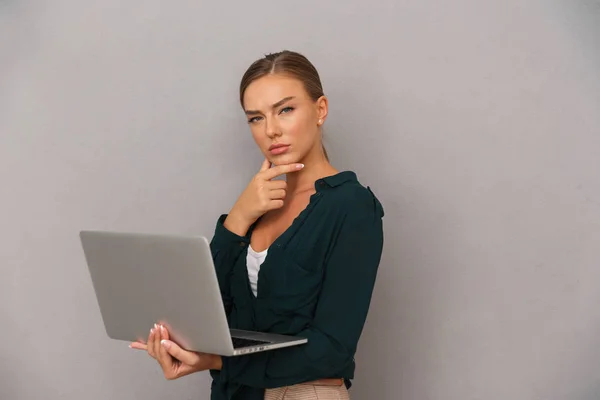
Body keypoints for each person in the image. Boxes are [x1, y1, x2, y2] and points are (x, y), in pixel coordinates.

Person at [130, 50, 385, 400]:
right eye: (255, 118)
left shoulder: (351, 206)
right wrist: (237, 218)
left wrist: (216, 361)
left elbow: (332, 348)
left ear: (320, 110)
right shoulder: (256, 202)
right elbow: (208, 307)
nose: (271, 130)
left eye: (286, 110)